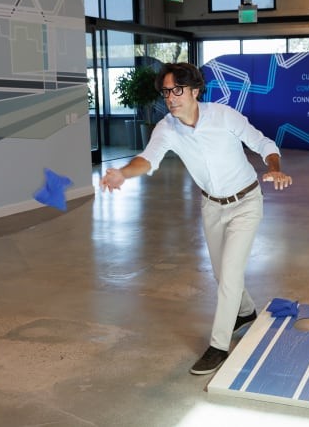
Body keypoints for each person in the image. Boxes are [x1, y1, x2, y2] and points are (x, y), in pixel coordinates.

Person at [100, 62, 292, 374]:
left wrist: (274, 168)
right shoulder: (167, 128)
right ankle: (245, 313)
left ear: (194, 91)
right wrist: (122, 172)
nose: (171, 98)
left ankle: (218, 346)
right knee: (220, 273)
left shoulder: (222, 116)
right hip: (212, 206)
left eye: (177, 90)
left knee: (229, 274)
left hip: (246, 202)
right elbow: (147, 159)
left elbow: (263, 144)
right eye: (166, 92)